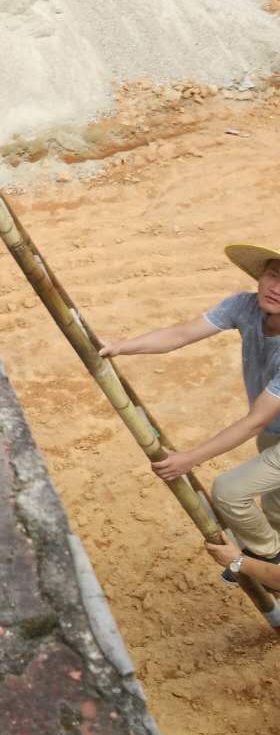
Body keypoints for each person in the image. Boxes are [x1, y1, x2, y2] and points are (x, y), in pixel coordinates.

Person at [100, 244, 280, 583]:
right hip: (274, 430)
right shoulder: (244, 306)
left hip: (268, 425)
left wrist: (189, 459)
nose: (276, 288)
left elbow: (253, 422)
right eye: (273, 275)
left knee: (230, 491)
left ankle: (269, 560)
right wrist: (122, 346)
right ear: (261, 276)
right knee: (276, 510)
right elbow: (181, 334)